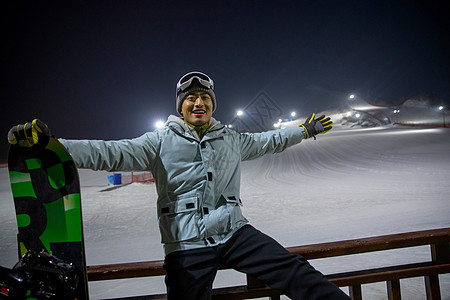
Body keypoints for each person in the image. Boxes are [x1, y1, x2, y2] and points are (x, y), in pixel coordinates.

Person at [8, 71, 350, 300]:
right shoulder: (158, 142)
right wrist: (52, 145)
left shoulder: (230, 139)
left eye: (204, 97)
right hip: (186, 245)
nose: (198, 102)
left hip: (234, 231)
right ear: (181, 105)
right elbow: (109, 152)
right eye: (191, 98)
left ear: (213, 103)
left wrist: (304, 130)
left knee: (296, 271)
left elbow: (269, 140)